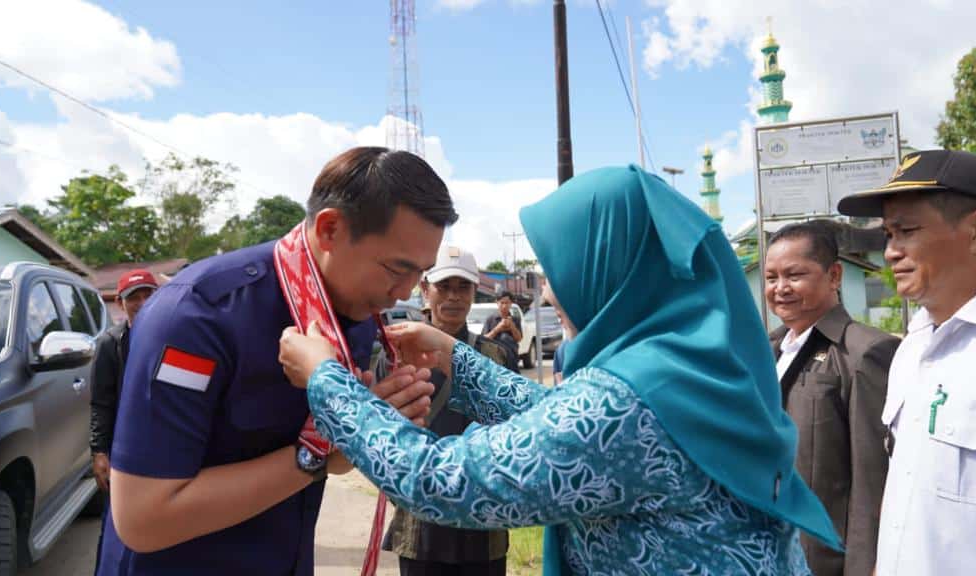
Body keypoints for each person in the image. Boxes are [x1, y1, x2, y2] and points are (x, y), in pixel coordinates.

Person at [280, 165, 841, 574]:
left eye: (558, 270)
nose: (548, 290)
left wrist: (327, 380)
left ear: (611, 269)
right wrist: (455, 356)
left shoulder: (629, 396)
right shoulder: (686, 366)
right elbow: (561, 420)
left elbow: (444, 482)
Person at [99, 147, 454, 575]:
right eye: (397, 269)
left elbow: (335, 462)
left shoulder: (354, 318)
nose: (405, 292)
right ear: (330, 230)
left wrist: (366, 428)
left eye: (421, 273)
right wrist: (315, 451)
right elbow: (143, 519)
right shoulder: (196, 317)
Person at [837, 149, 976, 576]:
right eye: (888, 235)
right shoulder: (913, 345)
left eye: (906, 231)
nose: (891, 252)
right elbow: (908, 489)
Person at [764, 221, 898, 576]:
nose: (780, 288)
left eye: (794, 275)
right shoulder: (768, 351)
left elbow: (872, 482)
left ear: (834, 275)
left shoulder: (865, 352)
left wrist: (864, 567)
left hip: (823, 559)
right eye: (771, 277)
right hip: (771, 550)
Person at [382, 244, 510, 576]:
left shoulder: (496, 357)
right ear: (424, 289)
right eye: (444, 286)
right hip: (419, 522)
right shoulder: (395, 354)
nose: (453, 297)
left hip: (483, 520)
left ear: (473, 291)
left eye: (463, 286)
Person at [89, 269, 158, 570]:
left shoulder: (177, 336)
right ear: (120, 303)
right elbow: (101, 403)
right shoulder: (110, 344)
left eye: (149, 294)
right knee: (118, 521)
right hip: (124, 447)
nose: (142, 302)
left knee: (162, 520)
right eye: (134, 298)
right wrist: (99, 451)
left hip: (165, 443)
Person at [483, 291, 522, 363]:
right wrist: (498, 329)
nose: (504, 306)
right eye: (502, 303)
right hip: (495, 357)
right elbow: (485, 339)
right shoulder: (490, 319)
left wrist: (512, 327)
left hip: (512, 357)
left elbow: (519, 339)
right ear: (497, 303)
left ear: (511, 304)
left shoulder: (515, 320)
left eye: (507, 303)